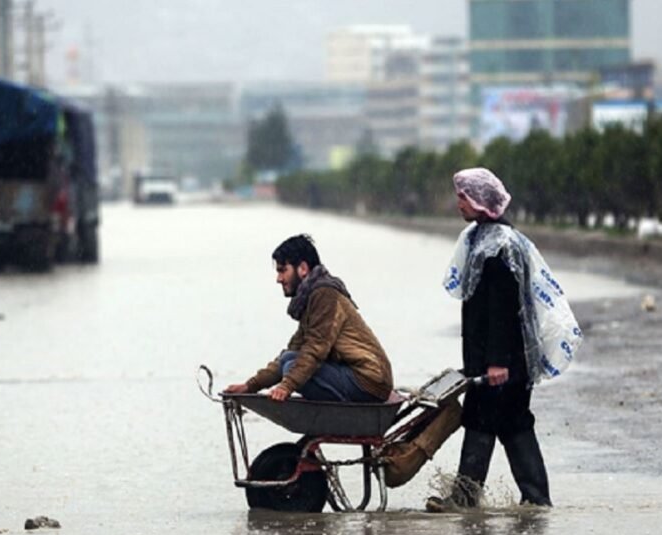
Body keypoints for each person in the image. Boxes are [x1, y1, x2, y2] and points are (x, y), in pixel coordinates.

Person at [428, 167, 581, 510]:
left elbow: (502, 310)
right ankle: (533, 501)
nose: (458, 204)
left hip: (502, 362)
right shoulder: (484, 238)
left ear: (482, 201)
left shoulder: (499, 248)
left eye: (463, 197)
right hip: (498, 361)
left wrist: (497, 361)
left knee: (491, 423)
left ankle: (472, 500)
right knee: (508, 425)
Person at [224, 234, 393, 403]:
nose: (279, 279)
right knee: (288, 359)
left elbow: (315, 349)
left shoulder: (325, 294)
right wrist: (249, 386)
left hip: (369, 382)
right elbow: (294, 350)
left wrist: (286, 386)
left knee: (291, 367)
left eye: (283, 270)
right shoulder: (311, 297)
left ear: (303, 269)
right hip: (356, 376)